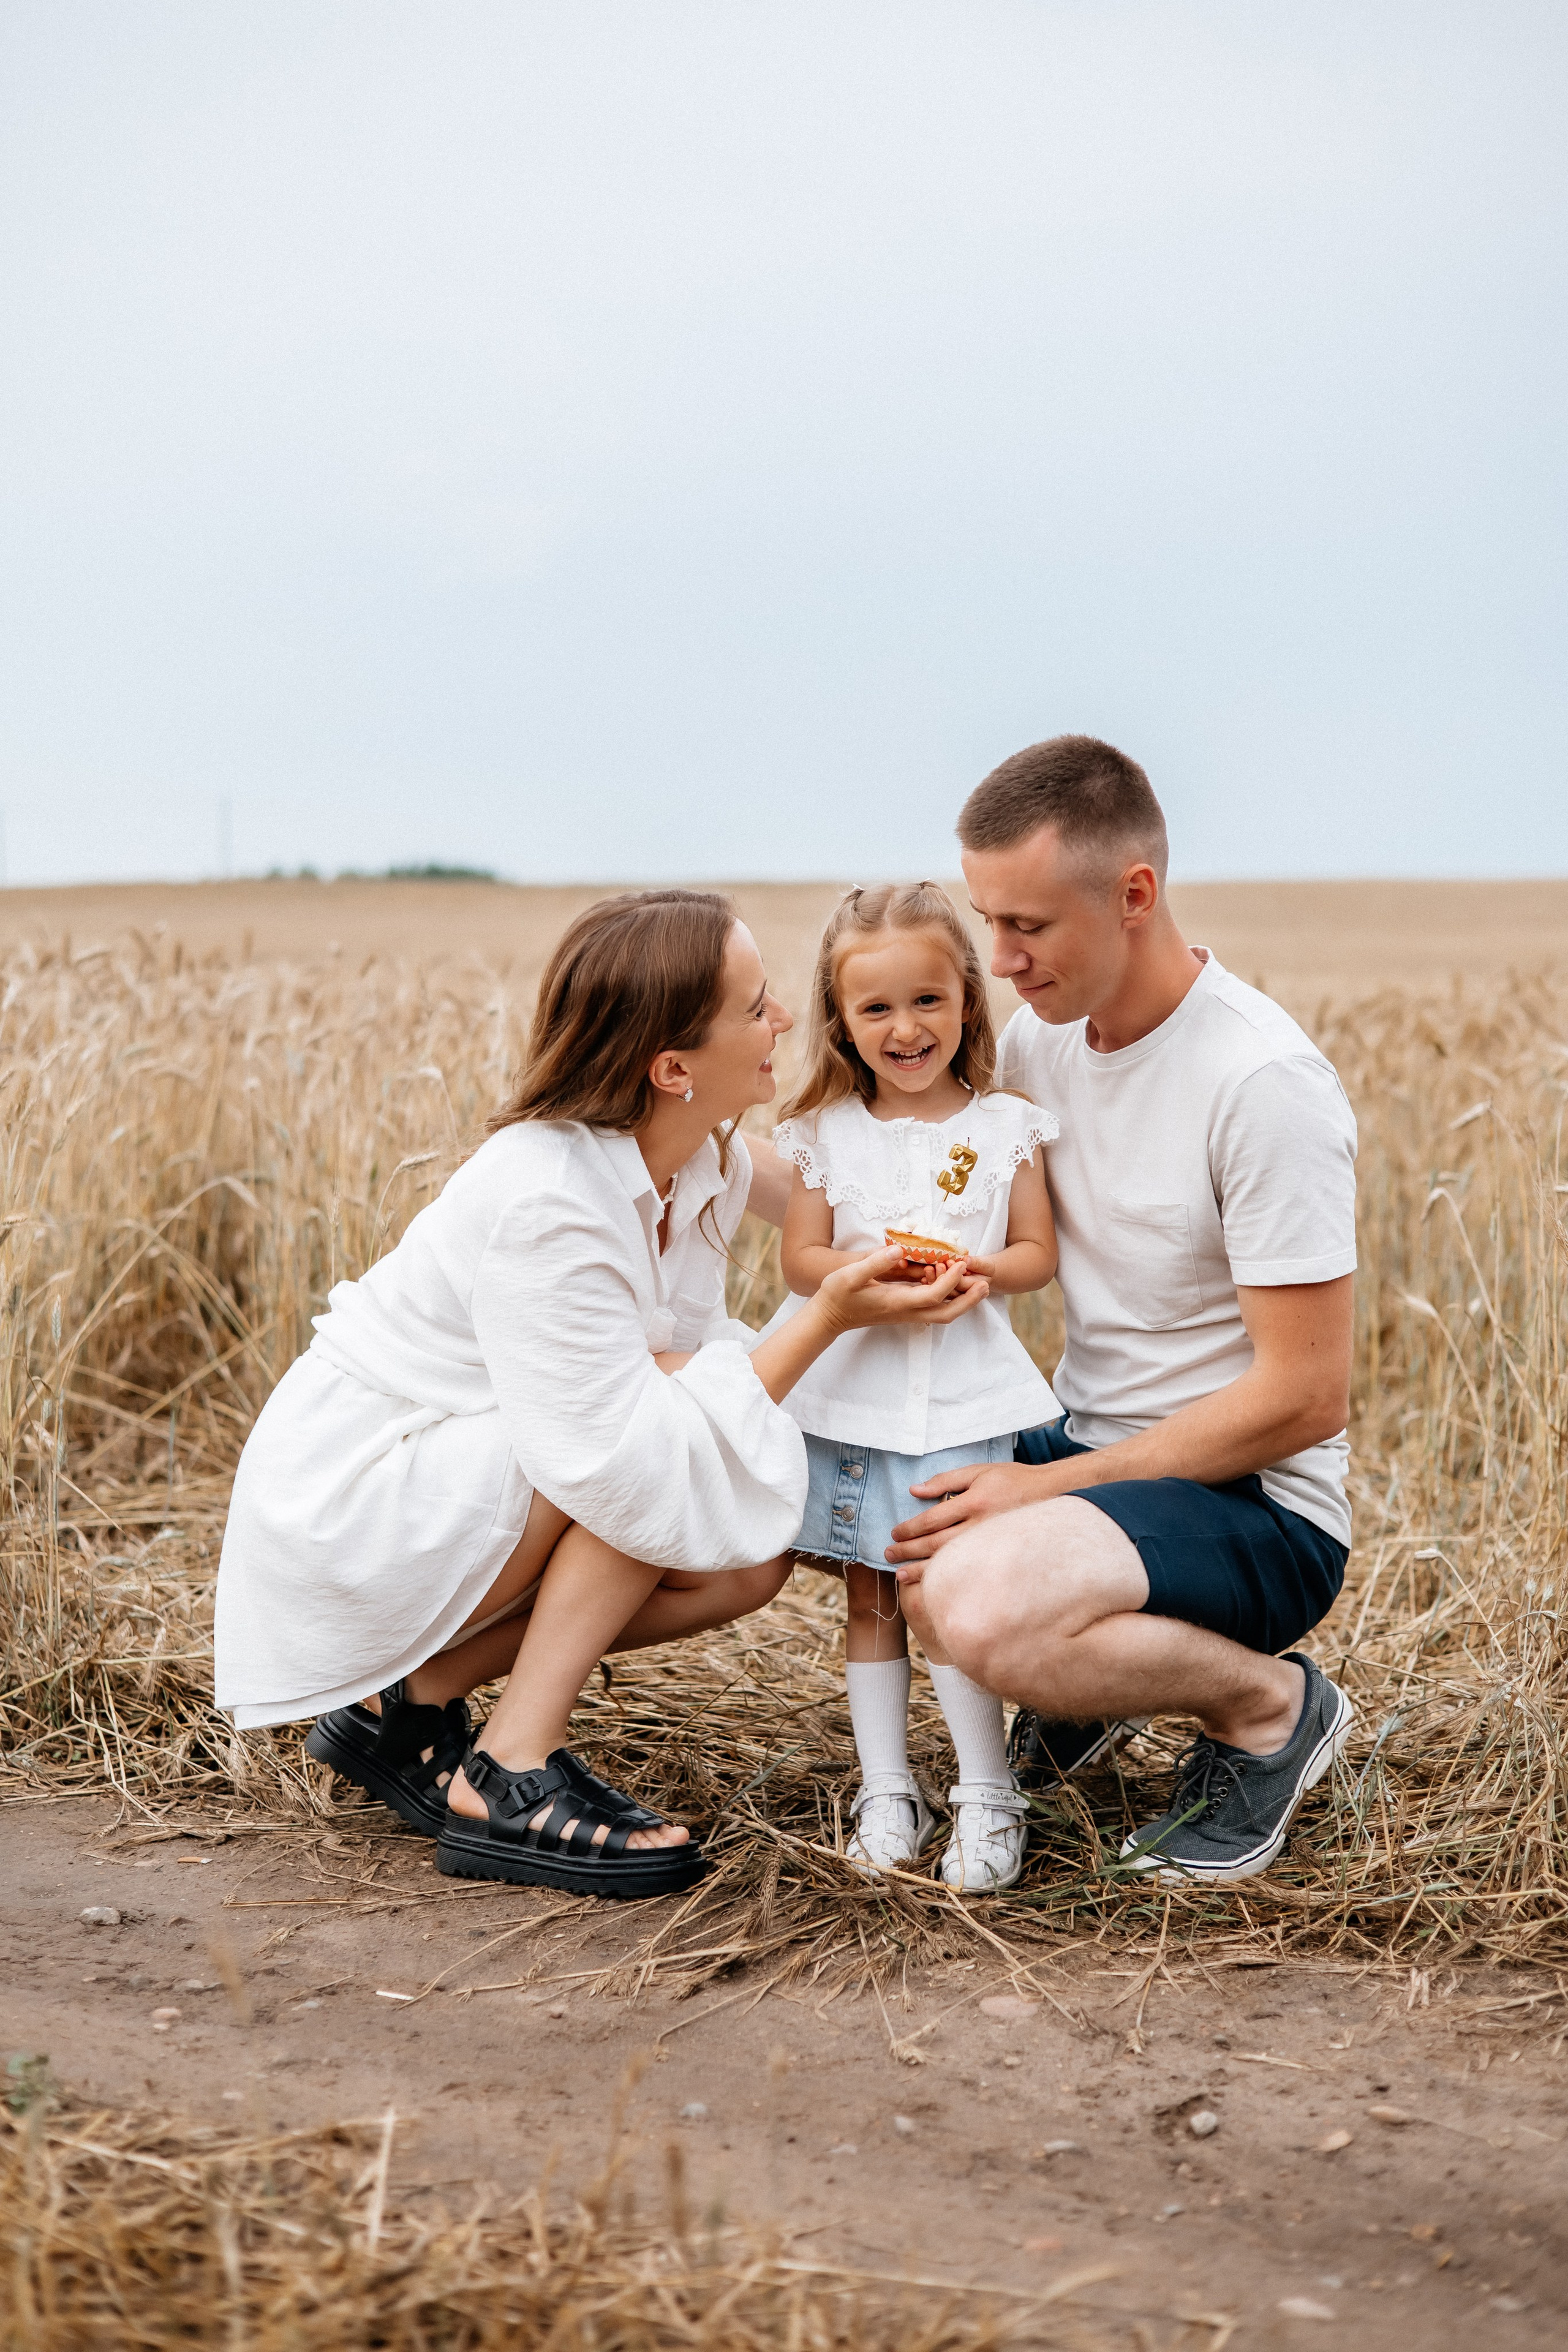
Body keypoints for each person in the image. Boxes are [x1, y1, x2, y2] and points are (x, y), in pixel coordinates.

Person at [214, 889, 980, 1899]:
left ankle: (414, 1701)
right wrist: (828, 1317)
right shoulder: (549, 1199)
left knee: (750, 1558)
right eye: (756, 1008)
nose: (787, 1021)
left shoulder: (695, 1148)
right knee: (660, 1451)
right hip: (356, 1501)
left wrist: (1008, 1170)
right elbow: (618, 1445)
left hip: (472, 1470)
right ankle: (513, 1770)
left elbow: (873, 1194)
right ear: (671, 1068)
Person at [889, 737, 1359, 1885]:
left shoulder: (1260, 1086)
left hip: (1255, 1505)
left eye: (1028, 927)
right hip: (1102, 1450)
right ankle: (1088, 1672)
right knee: (864, 1497)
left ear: (1134, 895)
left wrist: (1040, 1490)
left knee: (976, 1603)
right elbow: (880, 1151)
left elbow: (1305, 1398)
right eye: (988, 922)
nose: (999, 962)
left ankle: (1272, 1711)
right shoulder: (1044, 1043)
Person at [760, 882, 1058, 1891]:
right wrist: (856, 1286)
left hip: (963, 1391)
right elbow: (802, 1259)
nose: (905, 1028)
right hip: (853, 1388)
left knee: (946, 1589)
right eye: (876, 1008)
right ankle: (889, 1789)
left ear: (967, 1000)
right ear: (842, 1020)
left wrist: (980, 1276)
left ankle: (986, 1791)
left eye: (927, 1001)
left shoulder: (1009, 1123)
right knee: (872, 1591)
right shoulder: (824, 1131)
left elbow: (1034, 1253)